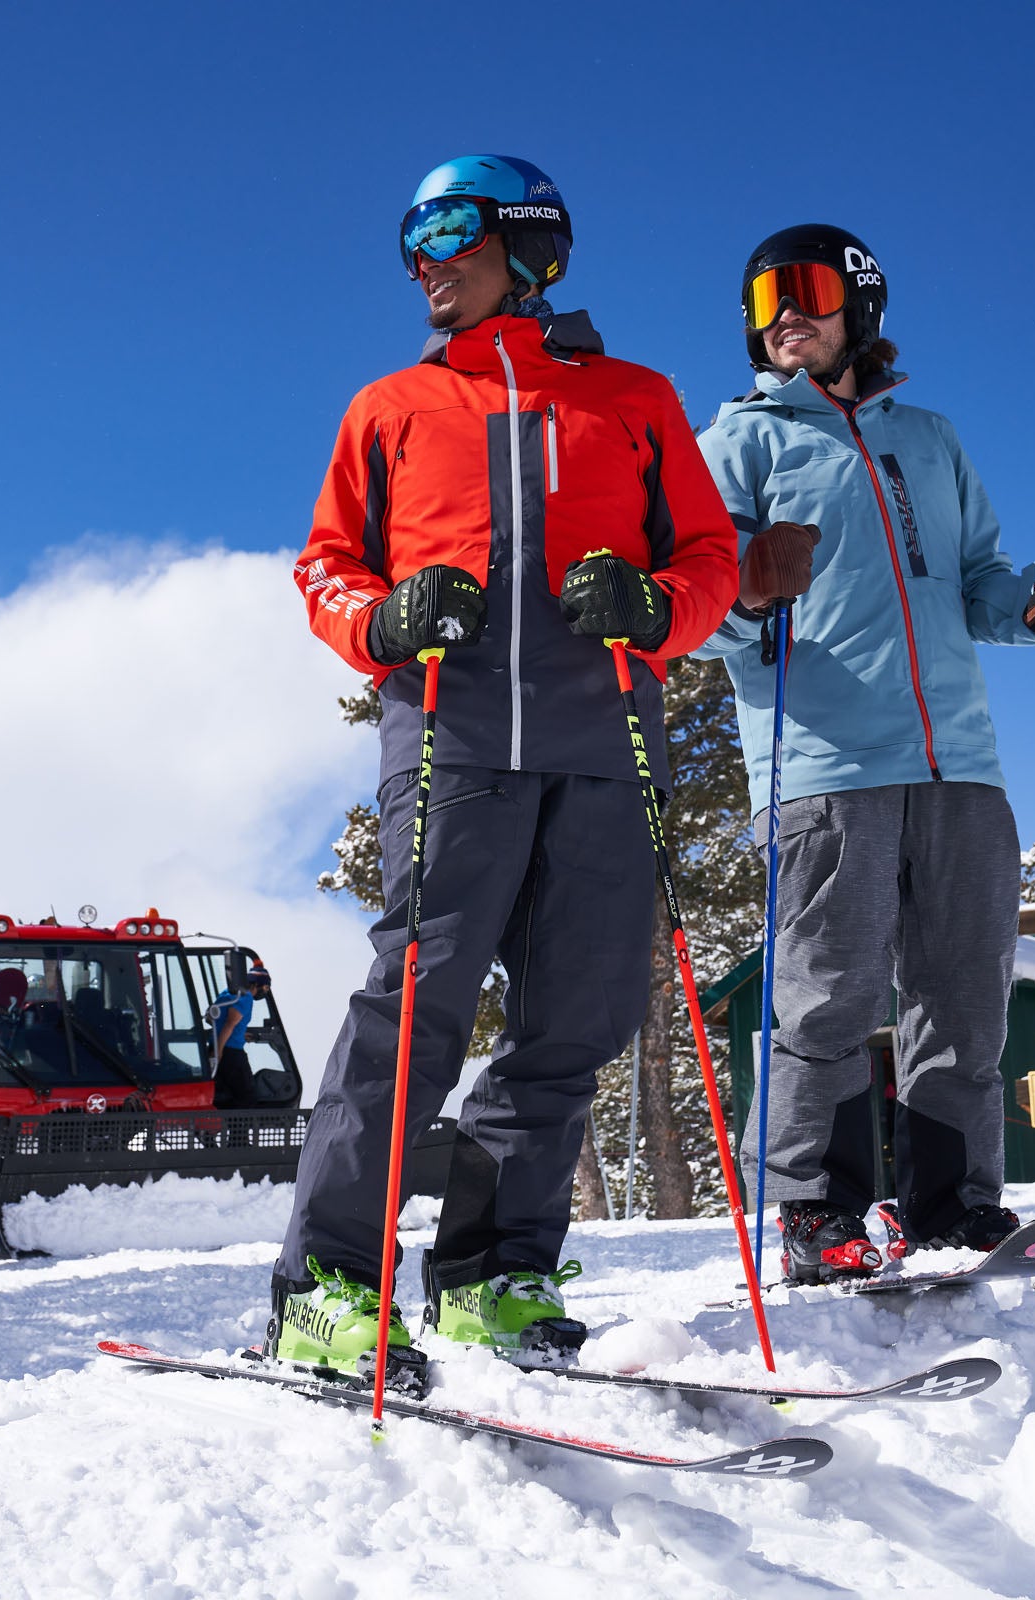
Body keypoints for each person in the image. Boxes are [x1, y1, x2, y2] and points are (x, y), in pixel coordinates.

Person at [269, 155, 738, 1387]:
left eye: (452, 229)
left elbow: (709, 561)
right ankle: (329, 1288)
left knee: (571, 1020)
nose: (427, 256)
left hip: (602, 737)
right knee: (415, 1003)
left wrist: (655, 602)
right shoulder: (390, 408)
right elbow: (325, 564)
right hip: (453, 732)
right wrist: (380, 620)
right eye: (413, 236)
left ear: (530, 244)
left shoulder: (635, 401)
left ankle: (493, 1273)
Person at [692, 224, 1035, 1283]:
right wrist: (747, 588)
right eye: (762, 300)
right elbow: (697, 613)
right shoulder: (739, 445)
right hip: (827, 763)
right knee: (828, 993)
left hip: (961, 763)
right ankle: (812, 1209)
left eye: (807, 289)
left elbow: (976, 580)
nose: (783, 312)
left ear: (863, 303)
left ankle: (953, 1201)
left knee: (964, 990)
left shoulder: (928, 438)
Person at [209, 961, 272, 1108]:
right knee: (247, 1097)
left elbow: (212, 1019)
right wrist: (218, 1053)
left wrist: (240, 1034)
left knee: (224, 1094)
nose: (266, 991)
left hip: (220, 1046)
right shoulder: (245, 997)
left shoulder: (228, 993)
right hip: (230, 1053)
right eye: (266, 987)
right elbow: (230, 1023)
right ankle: (237, 1130)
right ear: (257, 984)